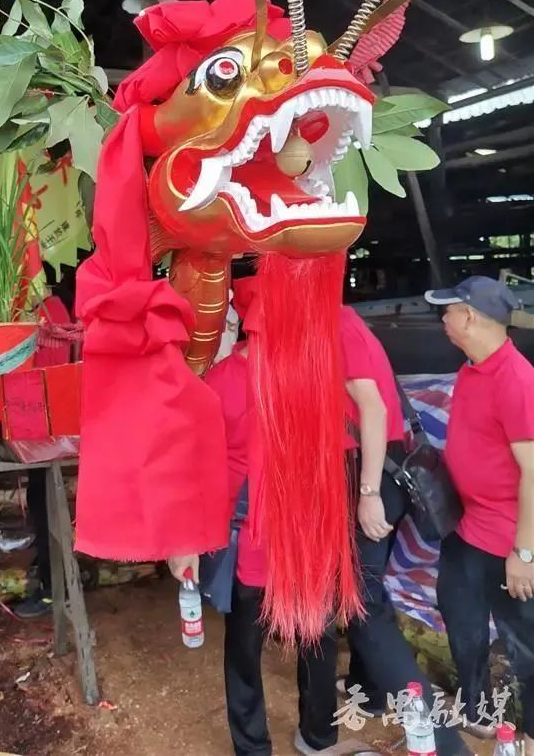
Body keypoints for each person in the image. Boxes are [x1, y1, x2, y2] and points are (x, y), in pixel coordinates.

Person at [169, 283, 470, 756]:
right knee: (317, 633)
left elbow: (196, 468)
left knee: (251, 646)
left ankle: (257, 746)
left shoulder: (227, 379)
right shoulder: (306, 376)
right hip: (302, 535)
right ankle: (319, 735)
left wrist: (187, 537)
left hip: (263, 534)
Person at [426, 277, 534, 753]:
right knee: (461, 617)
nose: (442, 320)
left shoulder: (517, 379)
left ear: (469, 315)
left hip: (509, 539)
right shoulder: (473, 369)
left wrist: (524, 553)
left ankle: (530, 732)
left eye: (447, 312)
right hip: (467, 527)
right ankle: (476, 710)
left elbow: (533, 472)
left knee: (524, 642)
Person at [14, 277, 75, 620]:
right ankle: (49, 569)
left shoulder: (48, 313)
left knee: (47, 503)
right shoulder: (45, 309)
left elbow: (46, 372)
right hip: (40, 426)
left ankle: (54, 589)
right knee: (42, 500)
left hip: (47, 428)